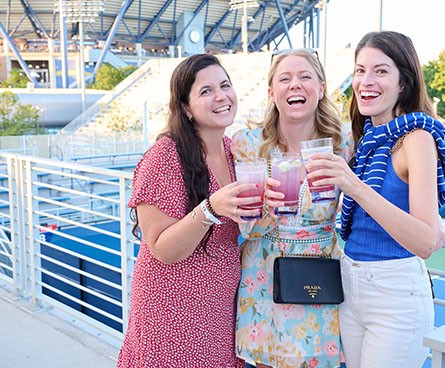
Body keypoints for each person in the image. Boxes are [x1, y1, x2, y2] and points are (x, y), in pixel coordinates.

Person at [306, 31, 445, 367]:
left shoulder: (416, 139)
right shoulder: (367, 141)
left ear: (404, 82)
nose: (365, 81)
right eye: (360, 70)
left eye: (381, 71)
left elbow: (426, 242)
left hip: (395, 294)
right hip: (351, 282)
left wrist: (355, 185)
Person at [117, 54, 259, 368]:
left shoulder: (233, 150)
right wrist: (209, 209)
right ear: (185, 107)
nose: (221, 96)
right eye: (206, 91)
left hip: (220, 312)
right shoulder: (165, 156)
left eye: (225, 85)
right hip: (171, 312)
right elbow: (163, 249)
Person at [232, 48, 353, 368]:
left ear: (321, 88)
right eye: (284, 78)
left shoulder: (343, 143)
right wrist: (266, 210)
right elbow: (244, 226)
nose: (295, 84)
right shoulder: (247, 143)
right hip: (264, 272)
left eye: (305, 77)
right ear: (272, 92)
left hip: (319, 273)